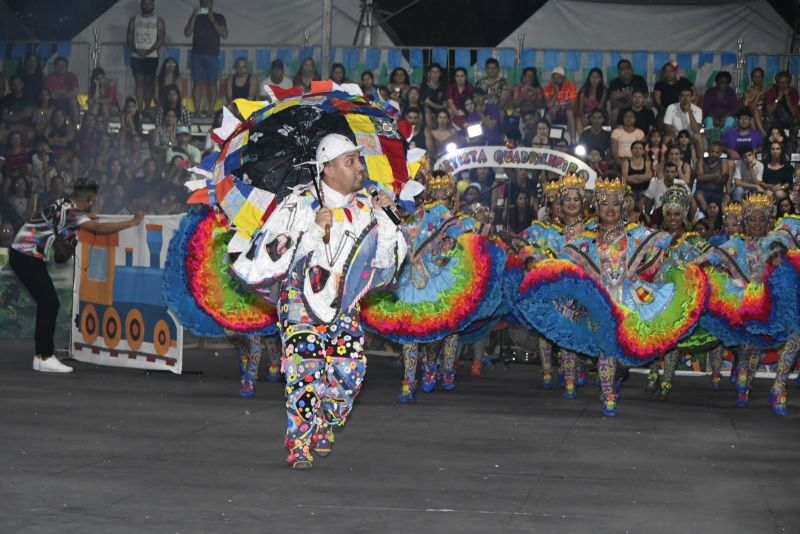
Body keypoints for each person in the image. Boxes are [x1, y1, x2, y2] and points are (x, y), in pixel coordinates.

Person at [229, 134, 406, 469]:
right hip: (300, 299)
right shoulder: (298, 202)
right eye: (350, 161)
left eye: (358, 159)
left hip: (342, 301)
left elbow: (383, 263)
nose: (359, 167)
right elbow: (271, 254)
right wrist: (311, 231)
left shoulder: (369, 204)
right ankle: (299, 441)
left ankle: (327, 419)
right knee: (305, 369)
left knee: (349, 371)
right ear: (327, 169)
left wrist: (385, 219)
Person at [9, 178, 144, 373]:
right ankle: (45, 356)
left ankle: (41, 357)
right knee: (50, 303)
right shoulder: (72, 213)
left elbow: (69, 218)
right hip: (26, 254)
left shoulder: (62, 204)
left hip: (22, 253)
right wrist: (133, 221)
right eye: (94, 200)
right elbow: (98, 229)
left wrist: (88, 215)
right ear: (89, 199)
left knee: (47, 302)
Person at [184, 0, 228, 117]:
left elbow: (224, 34)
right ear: (200, 3)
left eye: (207, 2)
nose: (205, 5)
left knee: (212, 84)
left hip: (213, 55)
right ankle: (197, 112)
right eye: (203, 2)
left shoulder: (219, 17)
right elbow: (187, 33)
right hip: (196, 54)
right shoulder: (196, 17)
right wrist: (193, 17)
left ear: (212, 3)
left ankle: (210, 112)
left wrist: (212, 19)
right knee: (197, 83)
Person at [127, 0, 165, 112]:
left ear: (153, 5)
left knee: (149, 83)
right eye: (145, 3)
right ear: (141, 4)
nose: (147, 6)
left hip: (152, 56)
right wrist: (136, 49)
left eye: (149, 3)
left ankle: (147, 108)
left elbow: (161, 39)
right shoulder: (134, 19)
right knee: (139, 82)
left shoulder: (158, 20)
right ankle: (139, 108)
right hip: (136, 55)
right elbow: (129, 37)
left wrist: (148, 51)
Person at [607, 58, 649, 125]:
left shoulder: (639, 80)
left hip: (638, 107)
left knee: (648, 109)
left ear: (631, 69)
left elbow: (645, 96)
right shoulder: (614, 83)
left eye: (628, 68)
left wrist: (621, 95)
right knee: (615, 111)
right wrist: (627, 101)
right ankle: (614, 133)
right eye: (622, 69)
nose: (626, 71)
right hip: (622, 108)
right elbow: (613, 101)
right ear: (618, 71)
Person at [543, 66, 577, 141]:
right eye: (554, 77)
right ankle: (549, 139)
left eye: (559, 78)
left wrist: (560, 106)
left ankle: (573, 141)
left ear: (563, 78)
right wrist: (556, 91)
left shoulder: (571, 86)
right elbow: (549, 105)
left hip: (567, 112)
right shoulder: (548, 88)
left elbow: (572, 104)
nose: (556, 80)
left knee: (569, 112)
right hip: (555, 113)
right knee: (548, 114)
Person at [694, 142, 731, 212]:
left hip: (718, 192)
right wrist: (715, 175)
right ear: (708, 151)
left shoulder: (723, 162)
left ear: (720, 153)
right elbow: (699, 177)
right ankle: (708, 215)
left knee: (727, 197)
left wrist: (706, 177)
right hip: (703, 192)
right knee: (698, 195)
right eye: (712, 151)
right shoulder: (701, 161)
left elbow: (723, 179)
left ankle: (723, 217)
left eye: (717, 152)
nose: (714, 154)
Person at [43, 57, 80, 125]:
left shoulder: (72, 77)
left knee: (73, 101)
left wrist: (58, 94)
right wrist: (66, 94)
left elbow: (74, 93)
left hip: (68, 104)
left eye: (63, 65)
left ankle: (75, 130)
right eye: (59, 65)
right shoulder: (49, 78)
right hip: (54, 103)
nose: (61, 67)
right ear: (55, 67)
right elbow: (50, 95)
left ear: (67, 67)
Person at [576, 68, 607, 133]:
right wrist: (584, 117)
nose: (594, 80)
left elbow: (600, 108)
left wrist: (589, 117)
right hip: (585, 115)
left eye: (597, 77)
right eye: (592, 77)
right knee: (578, 119)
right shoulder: (583, 90)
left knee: (596, 118)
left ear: (600, 79)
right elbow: (580, 108)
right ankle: (582, 139)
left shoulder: (604, 90)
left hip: (597, 114)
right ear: (589, 78)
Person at [741, 67, 767, 134]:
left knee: (752, 120)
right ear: (751, 78)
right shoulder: (748, 91)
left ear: (762, 77)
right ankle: (763, 133)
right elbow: (750, 108)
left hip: (764, 115)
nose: (757, 79)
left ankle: (757, 137)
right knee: (754, 113)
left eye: (759, 76)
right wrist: (758, 95)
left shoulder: (766, 89)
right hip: (752, 113)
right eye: (755, 76)